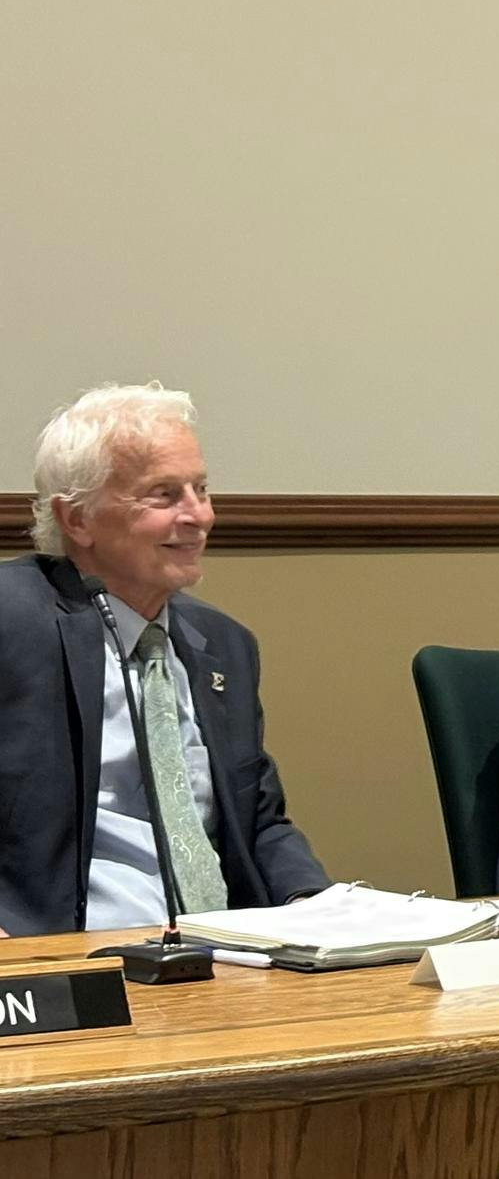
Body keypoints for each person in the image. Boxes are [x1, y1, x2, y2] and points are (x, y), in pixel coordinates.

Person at [0, 384, 328, 938]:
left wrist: (319, 907)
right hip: (68, 954)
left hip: (224, 952)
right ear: (77, 520)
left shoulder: (223, 644)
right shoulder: (12, 619)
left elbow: (258, 822)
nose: (199, 516)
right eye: (164, 495)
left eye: (201, 489)